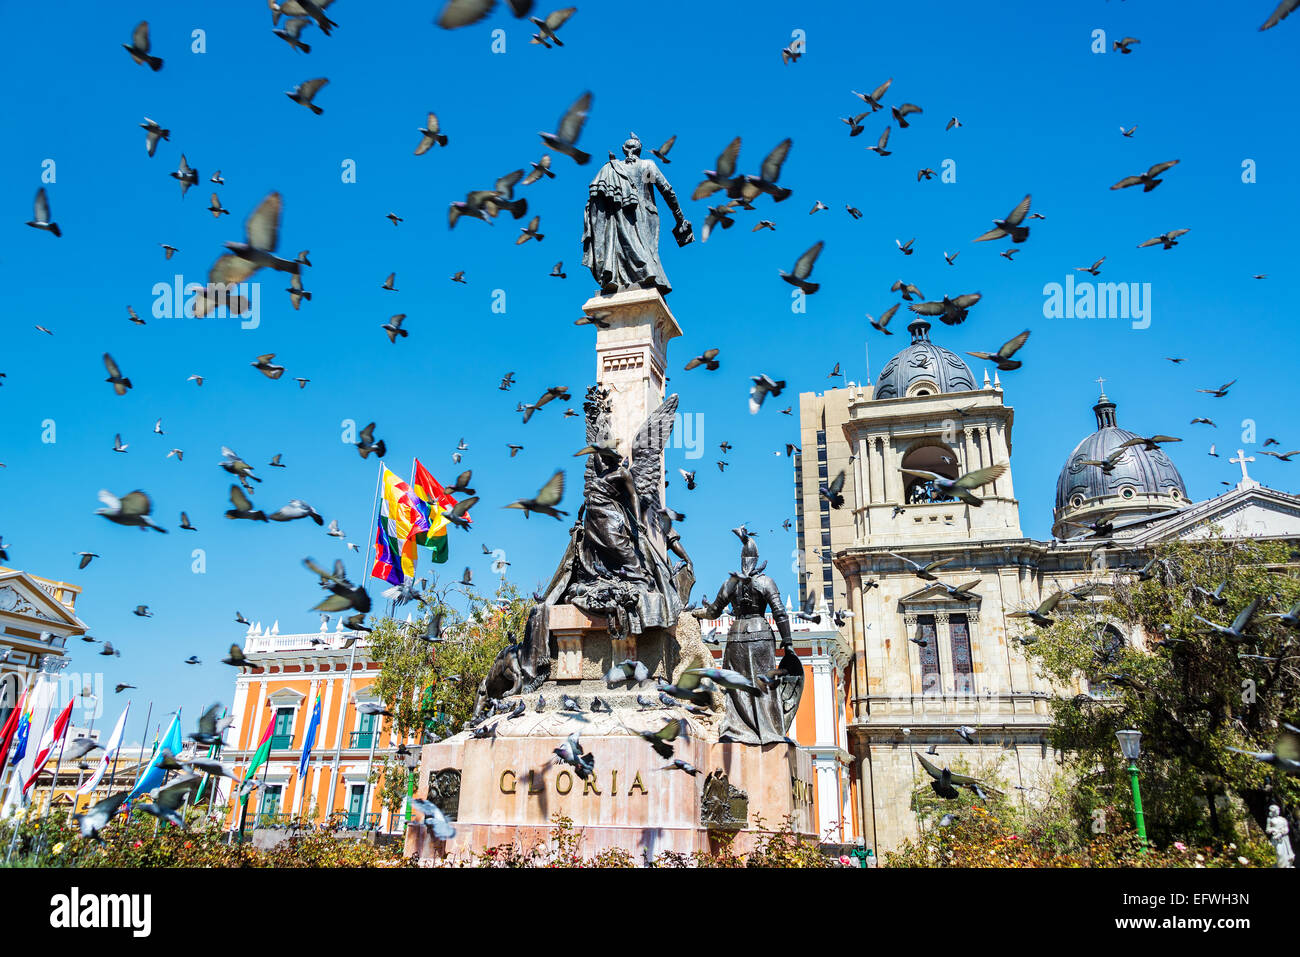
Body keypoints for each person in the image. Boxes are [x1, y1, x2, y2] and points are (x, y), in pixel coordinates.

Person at [692, 530, 802, 745]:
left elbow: (713, 612)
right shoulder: (766, 581)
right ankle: (769, 732)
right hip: (761, 635)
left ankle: (738, 730)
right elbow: (779, 612)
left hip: (736, 635)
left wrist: (696, 613)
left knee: (736, 685)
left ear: (741, 560)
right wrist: (788, 643)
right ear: (757, 560)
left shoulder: (729, 583)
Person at [581, 133, 692, 295]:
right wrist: (679, 218)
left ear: (624, 149)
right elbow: (667, 190)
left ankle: (615, 276)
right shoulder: (646, 166)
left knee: (624, 247)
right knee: (644, 250)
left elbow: (595, 199)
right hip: (643, 216)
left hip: (619, 216)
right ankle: (645, 274)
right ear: (639, 150)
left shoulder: (612, 168)